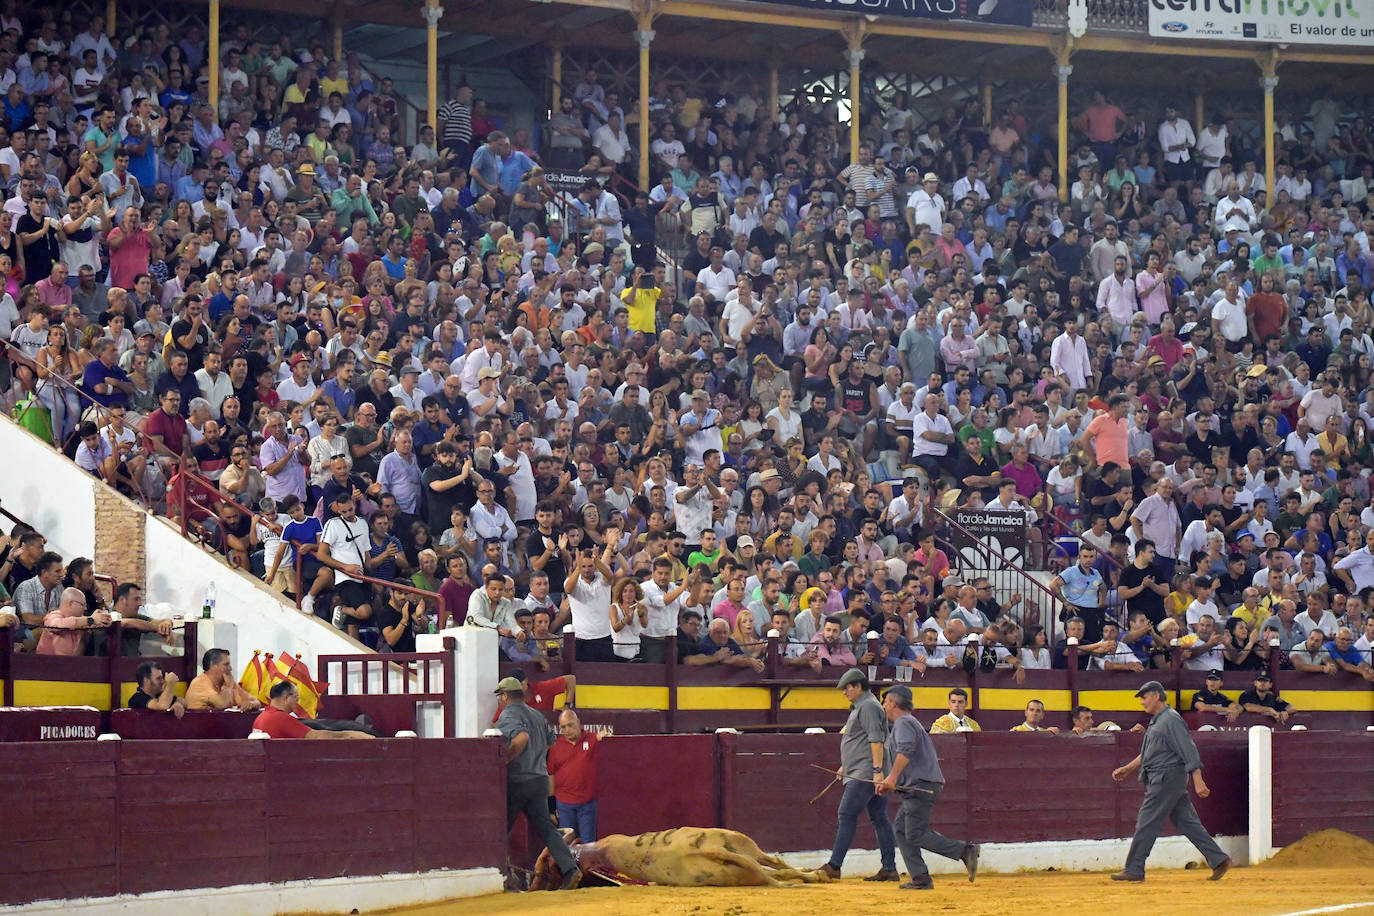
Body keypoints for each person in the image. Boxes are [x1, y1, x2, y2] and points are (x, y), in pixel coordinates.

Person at [1110, 680, 1231, 882]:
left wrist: (1198, 779)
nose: (1142, 702)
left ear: (1157, 695)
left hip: (1166, 777)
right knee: (1187, 822)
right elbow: (1149, 753)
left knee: (1146, 822)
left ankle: (1134, 868)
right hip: (1166, 776)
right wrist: (1129, 768)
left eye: (1144, 697)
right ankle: (1218, 859)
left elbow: (1188, 749)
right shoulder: (1159, 720)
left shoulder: (1171, 720)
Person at [876, 684, 980, 889]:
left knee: (913, 833)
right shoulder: (908, 722)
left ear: (893, 703)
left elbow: (905, 750)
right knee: (901, 829)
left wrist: (892, 778)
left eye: (885, 702)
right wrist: (890, 779)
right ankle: (920, 877)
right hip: (920, 785)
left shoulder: (903, 723)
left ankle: (963, 851)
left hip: (919, 786)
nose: (884, 706)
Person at [494, 675, 582, 890]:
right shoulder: (536, 715)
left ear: (505, 696)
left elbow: (521, 738)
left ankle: (501, 877)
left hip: (518, 780)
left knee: (498, 829)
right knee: (546, 828)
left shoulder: (507, 715)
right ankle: (570, 870)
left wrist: (505, 759)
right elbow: (552, 743)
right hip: (539, 780)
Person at [818, 668, 897, 882]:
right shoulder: (863, 706)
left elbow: (876, 739)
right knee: (879, 817)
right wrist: (847, 765)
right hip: (863, 769)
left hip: (866, 773)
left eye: (847, 688)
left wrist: (878, 771)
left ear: (858, 687)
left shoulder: (869, 706)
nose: (844, 692)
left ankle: (834, 865)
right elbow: (864, 740)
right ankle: (889, 868)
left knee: (846, 814)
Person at [547, 708, 601, 841]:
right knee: (567, 845)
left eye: (570, 725)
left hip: (588, 803)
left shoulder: (593, 739)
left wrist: (605, 737)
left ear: (578, 722)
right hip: (564, 805)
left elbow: (610, 742)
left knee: (588, 846)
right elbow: (551, 775)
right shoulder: (556, 747)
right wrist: (551, 807)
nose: (567, 730)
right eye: (563, 727)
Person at [253, 681, 372, 738]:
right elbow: (316, 736)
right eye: (296, 697)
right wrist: (351, 735)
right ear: (286, 698)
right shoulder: (282, 719)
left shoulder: (260, 718)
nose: (297, 701)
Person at [185, 647, 262, 711]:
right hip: (199, 726)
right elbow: (222, 704)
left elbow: (257, 702)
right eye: (226, 664)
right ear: (213, 666)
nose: (230, 668)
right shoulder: (199, 683)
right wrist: (228, 686)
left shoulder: (228, 682)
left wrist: (251, 704)